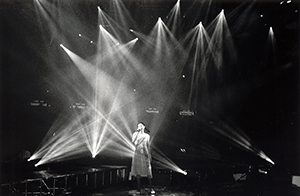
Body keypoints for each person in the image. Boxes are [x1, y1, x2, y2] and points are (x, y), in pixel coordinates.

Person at [131, 122, 155, 194]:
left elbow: (147, 145)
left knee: (148, 171)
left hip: (144, 153)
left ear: (144, 126)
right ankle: (138, 188)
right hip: (137, 154)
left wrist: (148, 154)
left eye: (141, 125)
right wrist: (137, 133)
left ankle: (151, 187)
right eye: (138, 126)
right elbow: (133, 142)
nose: (140, 127)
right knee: (138, 171)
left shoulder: (147, 136)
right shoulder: (135, 134)